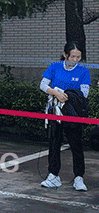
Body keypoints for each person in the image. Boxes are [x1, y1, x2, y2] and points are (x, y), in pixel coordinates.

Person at [40, 41, 90, 192]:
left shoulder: (83, 71)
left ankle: (79, 177)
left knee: (76, 145)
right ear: (65, 55)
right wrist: (55, 93)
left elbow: (85, 93)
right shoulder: (54, 66)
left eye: (78, 57)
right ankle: (53, 175)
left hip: (72, 113)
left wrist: (68, 96)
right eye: (72, 56)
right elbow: (43, 85)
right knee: (54, 143)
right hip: (55, 111)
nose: (75, 60)